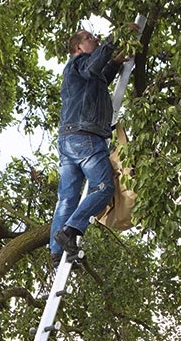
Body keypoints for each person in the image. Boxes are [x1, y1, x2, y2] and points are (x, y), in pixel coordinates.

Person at [50, 28, 129, 268]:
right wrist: (116, 37)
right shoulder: (80, 63)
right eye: (89, 38)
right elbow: (94, 67)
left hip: (68, 142)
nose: (95, 39)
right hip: (85, 138)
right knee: (103, 187)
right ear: (78, 47)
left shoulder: (80, 73)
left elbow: (99, 75)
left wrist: (115, 63)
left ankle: (56, 254)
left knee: (67, 199)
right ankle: (71, 230)